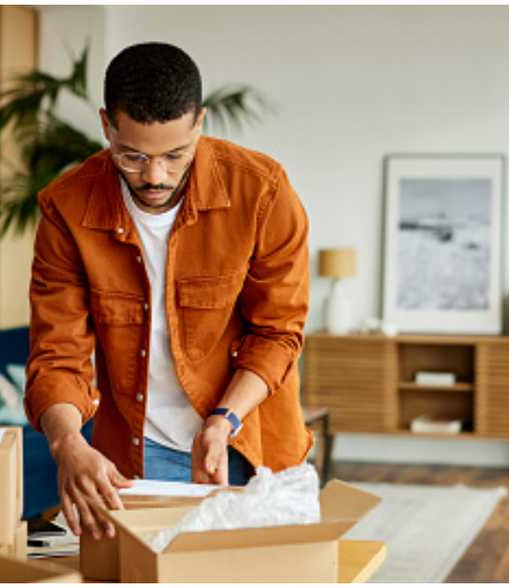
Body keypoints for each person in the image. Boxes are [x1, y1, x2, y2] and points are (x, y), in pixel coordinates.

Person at [24, 42, 312, 541]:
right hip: (134, 453)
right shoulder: (66, 209)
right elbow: (57, 355)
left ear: (199, 123)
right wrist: (67, 443)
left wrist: (223, 422)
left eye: (174, 155)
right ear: (106, 126)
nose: (153, 176)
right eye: (132, 156)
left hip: (250, 439)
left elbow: (278, 332)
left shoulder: (261, 191)